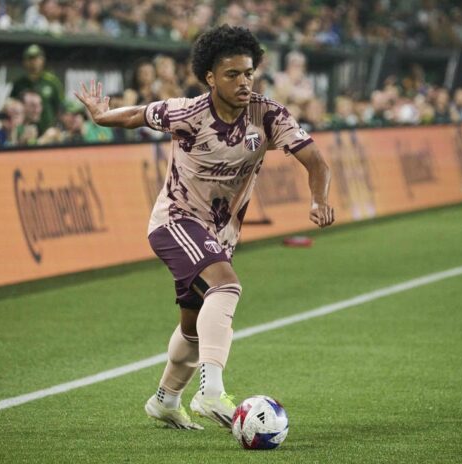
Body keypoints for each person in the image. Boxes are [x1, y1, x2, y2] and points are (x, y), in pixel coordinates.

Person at [76, 25, 334, 430]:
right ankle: (211, 391)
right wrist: (101, 115)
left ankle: (165, 399)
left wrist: (318, 198)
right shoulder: (188, 113)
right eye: (233, 74)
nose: (244, 82)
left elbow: (316, 161)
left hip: (219, 234)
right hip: (175, 221)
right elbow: (137, 115)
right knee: (226, 286)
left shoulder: (267, 115)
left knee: (193, 328)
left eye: (248, 73)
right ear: (211, 77)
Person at [10, 44, 64, 136]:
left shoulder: (52, 82)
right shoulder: (19, 84)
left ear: (42, 60)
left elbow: (60, 107)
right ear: (25, 62)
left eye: (36, 58)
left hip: (48, 132)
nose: (33, 62)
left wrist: (57, 128)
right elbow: (12, 105)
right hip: (25, 133)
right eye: (30, 59)